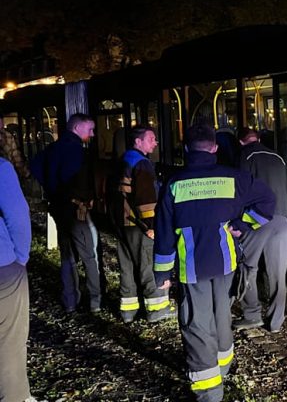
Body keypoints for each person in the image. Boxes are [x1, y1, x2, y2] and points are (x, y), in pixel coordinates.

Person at [153, 123, 275, 402]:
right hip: (225, 265)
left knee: (196, 324)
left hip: (192, 268)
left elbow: (163, 235)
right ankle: (224, 366)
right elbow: (268, 200)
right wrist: (243, 225)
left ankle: (209, 391)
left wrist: (161, 274)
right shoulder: (234, 178)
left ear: (186, 149)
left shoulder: (174, 184)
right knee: (222, 315)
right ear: (215, 149)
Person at [30, 113, 102, 313]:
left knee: (67, 255)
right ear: (77, 129)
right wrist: (84, 199)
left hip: (58, 209)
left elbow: (35, 167)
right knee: (89, 255)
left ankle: (70, 300)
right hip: (77, 211)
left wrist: (52, 190)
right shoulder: (77, 151)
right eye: (90, 129)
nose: (93, 134)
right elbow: (80, 182)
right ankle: (95, 301)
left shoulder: (53, 148)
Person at [233, 128, 287, 333]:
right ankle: (276, 322)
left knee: (247, 268)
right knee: (278, 274)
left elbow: (240, 191)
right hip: (283, 219)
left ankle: (252, 315)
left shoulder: (245, 156)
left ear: (241, 142)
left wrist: (238, 224)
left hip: (257, 220)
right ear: (258, 139)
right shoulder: (279, 157)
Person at [113, 125, 173, 323]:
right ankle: (157, 310)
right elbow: (146, 200)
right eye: (151, 139)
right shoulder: (142, 164)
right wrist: (151, 226)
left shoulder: (123, 160)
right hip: (139, 225)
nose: (155, 143)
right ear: (138, 142)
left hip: (123, 223)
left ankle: (128, 312)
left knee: (127, 267)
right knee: (148, 264)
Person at [0, 157, 34, 402]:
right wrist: (19, 257)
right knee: (9, 340)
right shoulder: (1, 168)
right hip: (3, 269)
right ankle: (15, 396)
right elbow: (18, 216)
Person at [0, 116, 31, 181]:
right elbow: (16, 158)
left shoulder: (7, 136)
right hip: (6, 176)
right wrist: (27, 174)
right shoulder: (6, 136)